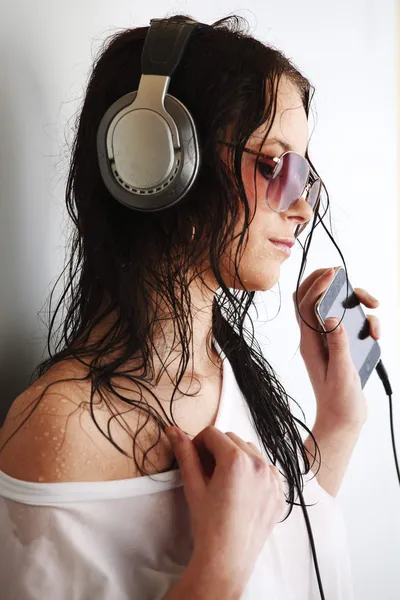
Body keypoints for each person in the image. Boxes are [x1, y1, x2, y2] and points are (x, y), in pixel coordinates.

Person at [0, 13, 380, 600]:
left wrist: (339, 420)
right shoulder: (62, 431)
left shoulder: (227, 369)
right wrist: (217, 573)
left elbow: (291, 558)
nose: (302, 209)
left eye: (305, 175)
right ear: (154, 158)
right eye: (273, 165)